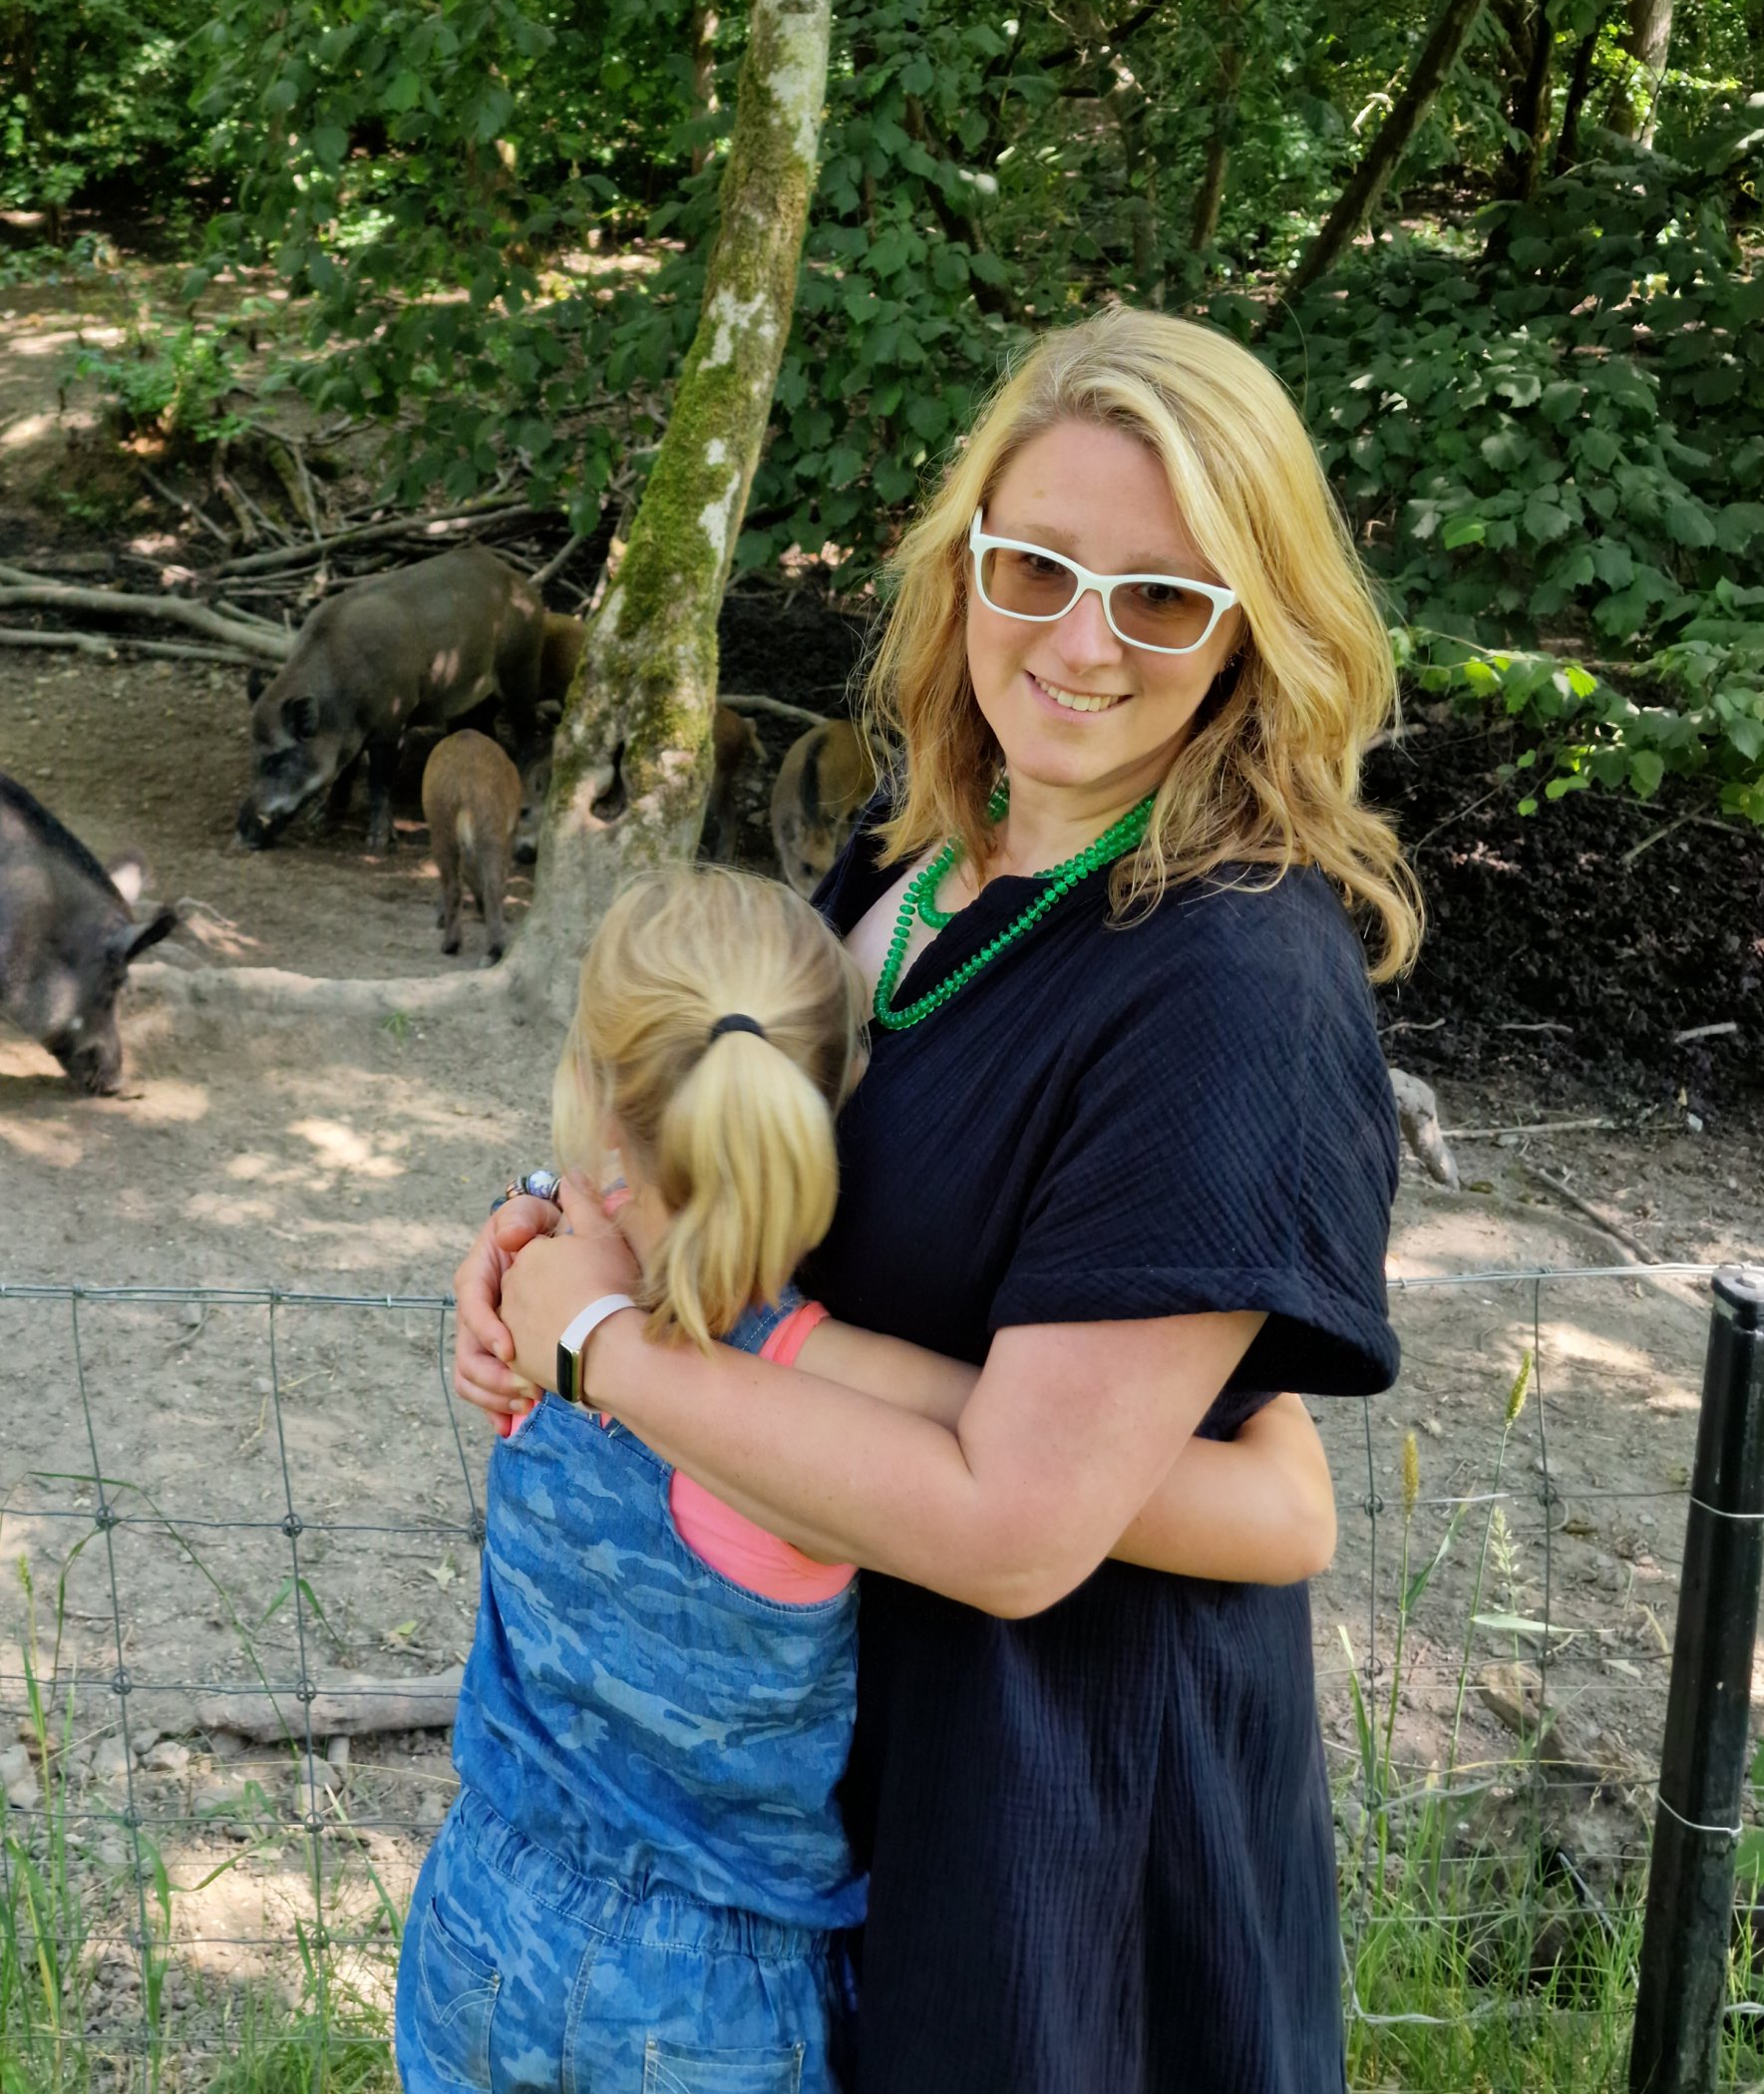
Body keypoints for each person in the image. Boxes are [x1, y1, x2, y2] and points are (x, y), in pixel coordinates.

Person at [456, 307, 1419, 2091]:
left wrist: (604, 1346)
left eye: (1160, 596)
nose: (1078, 641)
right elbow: (757, 1170)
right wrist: (567, 1213)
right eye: (1035, 565)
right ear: (962, 554)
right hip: (827, 1793)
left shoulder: (1228, 987)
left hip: (1061, 1851)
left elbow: (1020, 1528)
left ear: (1251, 628)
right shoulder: (923, 847)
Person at [403, 865, 1342, 2094]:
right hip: (712, 1999)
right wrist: (1276, 1431)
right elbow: (1262, 1508)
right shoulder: (819, 1371)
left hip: (480, 1909)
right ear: (841, 1107)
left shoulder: (540, 1280)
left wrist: (535, 1199)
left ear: (591, 1088)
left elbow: (587, 1193)